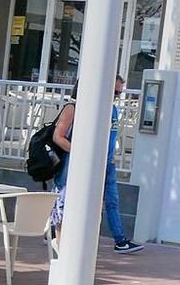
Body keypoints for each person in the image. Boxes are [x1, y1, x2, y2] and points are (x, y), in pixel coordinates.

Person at [50, 78, 144, 256]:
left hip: (105, 163)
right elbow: (58, 137)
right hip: (76, 163)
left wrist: (110, 155)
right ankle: (59, 240)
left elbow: (110, 137)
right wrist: (80, 154)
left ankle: (119, 240)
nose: (116, 97)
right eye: (115, 93)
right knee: (65, 201)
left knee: (110, 201)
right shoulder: (74, 109)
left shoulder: (112, 111)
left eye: (119, 93)